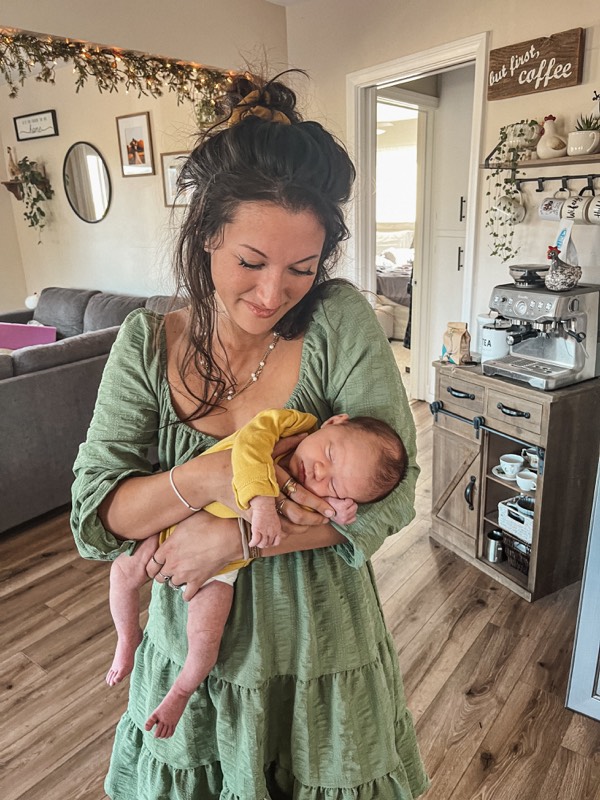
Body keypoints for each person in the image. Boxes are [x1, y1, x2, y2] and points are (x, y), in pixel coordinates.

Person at [71, 70, 429, 800]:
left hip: (323, 656)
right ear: (206, 235)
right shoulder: (143, 346)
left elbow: (392, 498)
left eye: (302, 268)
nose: (273, 295)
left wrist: (231, 538)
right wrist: (212, 478)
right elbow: (98, 521)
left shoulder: (339, 324)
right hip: (190, 663)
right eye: (251, 263)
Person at [106, 408, 408, 739]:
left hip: (223, 567)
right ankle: (127, 636)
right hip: (173, 514)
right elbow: (252, 442)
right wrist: (263, 503)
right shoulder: (292, 424)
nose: (320, 472)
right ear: (334, 421)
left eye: (335, 483)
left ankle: (179, 693)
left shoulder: (317, 495)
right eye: (330, 452)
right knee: (123, 574)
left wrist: (335, 511)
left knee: (206, 637)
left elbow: (311, 521)